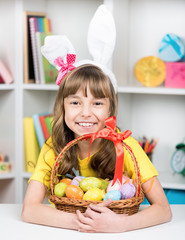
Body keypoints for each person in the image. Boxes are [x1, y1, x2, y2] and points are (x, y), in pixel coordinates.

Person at [21, 61, 172, 233]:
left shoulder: (125, 145)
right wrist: (89, 223)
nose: (86, 112)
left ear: (110, 110)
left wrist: (120, 225)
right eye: (75, 103)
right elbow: (29, 210)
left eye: (97, 103)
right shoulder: (54, 146)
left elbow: (163, 210)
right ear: (63, 106)